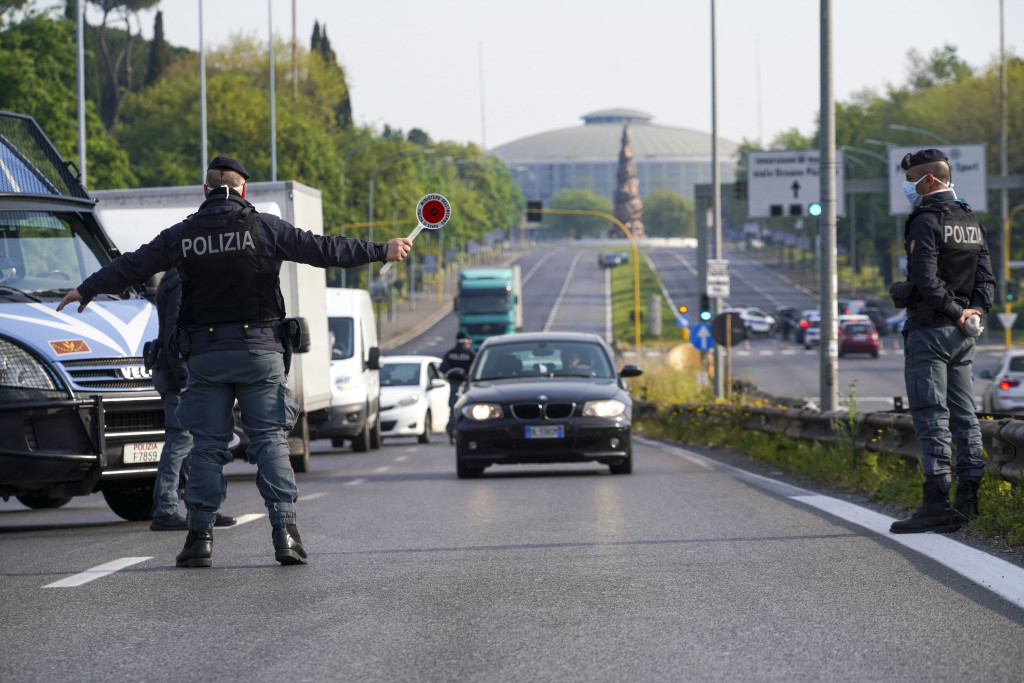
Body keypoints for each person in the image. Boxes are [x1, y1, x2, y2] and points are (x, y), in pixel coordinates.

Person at [57, 156, 412, 567]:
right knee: (269, 441)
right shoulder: (265, 228)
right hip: (260, 353)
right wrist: (379, 250)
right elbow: (325, 249)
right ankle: (285, 536)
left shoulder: (184, 234)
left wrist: (86, 289)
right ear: (244, 190)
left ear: (206, 192)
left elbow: (133, 264)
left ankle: (199, 540)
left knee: (207, 447)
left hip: (205, 357)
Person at [888, 148, 995, 535]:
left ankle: (936, 504)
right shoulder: (970, 219)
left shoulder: (926, 220)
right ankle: (968, 503)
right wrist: (973, 313)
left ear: (929, 179)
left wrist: (952, 311)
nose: (908, 186)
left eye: (912, 178)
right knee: (965, 418)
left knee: (931, 418)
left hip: (930, 331)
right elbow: (986, 279)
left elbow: (927, 281)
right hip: (964, 335)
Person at [148, 268, 236, 531]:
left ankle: (201, 507)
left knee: (190, 443)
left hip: (179, 375)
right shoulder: (180, 281)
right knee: (181, 440)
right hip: (180, 378)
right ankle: (165, 509)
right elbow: (175, 336)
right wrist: (187, 382)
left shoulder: (176, 278)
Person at [439, 332, 475, 444]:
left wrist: (451, 376)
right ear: (465, 341)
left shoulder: (450, 353)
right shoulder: (470, 354)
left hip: (454, 385)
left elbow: (443, 368)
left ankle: (452, 432)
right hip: (469, 387)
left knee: (453, 409)